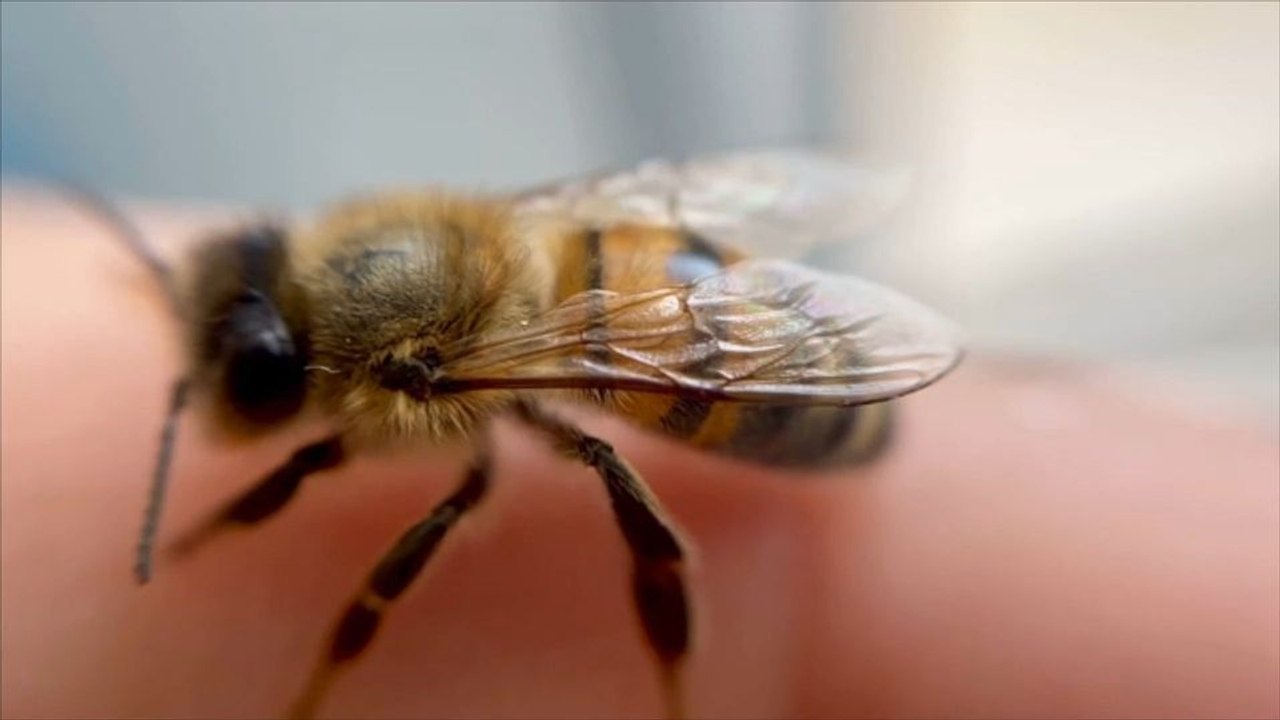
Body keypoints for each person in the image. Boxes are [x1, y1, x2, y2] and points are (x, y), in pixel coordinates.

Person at [2, 186, 1276, 719]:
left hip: (732, 366)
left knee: (589, 475)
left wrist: (220, 540)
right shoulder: (402, 265)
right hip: (641, 272)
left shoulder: (426, 363)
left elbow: (330, 467)